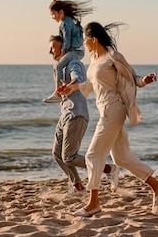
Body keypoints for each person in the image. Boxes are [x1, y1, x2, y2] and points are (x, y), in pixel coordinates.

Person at [58, 22, 158, 217]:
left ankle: (93, 203)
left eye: (85, 39)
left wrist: (145, 81)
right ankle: (157, 186)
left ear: (94, 39)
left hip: (113, 110)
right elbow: (94, 85)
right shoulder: (94, 60)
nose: (84, 43)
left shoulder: (113, 57)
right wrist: (72, 88)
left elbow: (133, 78)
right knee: (121, 157)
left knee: (92, 155)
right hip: (105, 110)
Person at [48, 34, 120, 194]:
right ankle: (78, 187)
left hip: (76, 114)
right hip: (65, 114)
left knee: (69, 157)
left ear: (64, 46)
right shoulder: (61, 67)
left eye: (53, 47)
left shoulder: (74, 63)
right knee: (57, 154)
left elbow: (77, 78)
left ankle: (109, 169)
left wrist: (71, 84)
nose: (50, 51)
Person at [43, 0, 94, 103]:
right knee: (57, 65)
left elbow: (67, 40)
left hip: (75, 51)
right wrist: (54, 1)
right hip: (75, 50)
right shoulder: (66, 20)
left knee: (58, 66)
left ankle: (57, 93)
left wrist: (62, 53)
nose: (52, 17)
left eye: (53, 14)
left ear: (61, 12)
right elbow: (57, 9)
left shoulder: (66, 24)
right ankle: (59, 90)